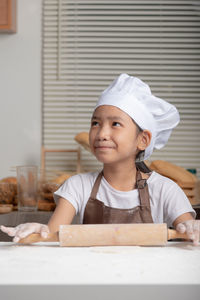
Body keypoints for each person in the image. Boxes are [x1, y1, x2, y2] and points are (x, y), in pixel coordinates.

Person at [1, 74, 199, 245]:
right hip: (90, 278)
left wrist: (192, 228)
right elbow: (51, 236)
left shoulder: (165, 190)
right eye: (95, 123)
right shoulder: (78, 186)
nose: (102, 133)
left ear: (143, 139)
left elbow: (189, 236)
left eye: (115, 124)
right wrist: (39, 231)